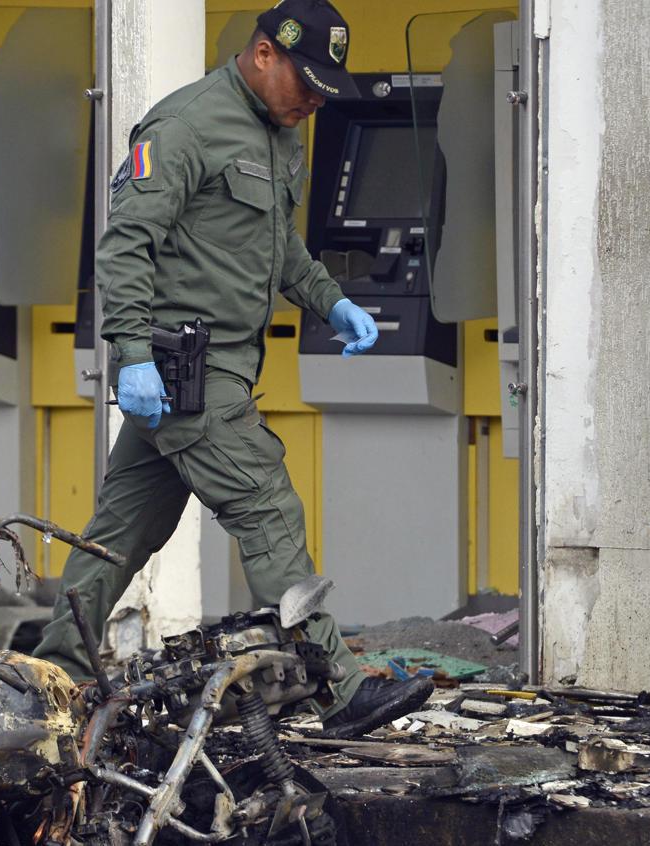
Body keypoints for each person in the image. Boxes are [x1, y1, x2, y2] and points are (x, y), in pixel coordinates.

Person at [31, 0, 433, 738]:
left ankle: (56, 674)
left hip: (220, 366)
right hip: (185, 368)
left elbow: (277, 248)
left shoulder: (278, 135)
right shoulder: (184, 126)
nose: (314, 102)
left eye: (323, 91)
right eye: (305, 84)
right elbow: (125, 246)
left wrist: (330, 301)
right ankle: (335, 689)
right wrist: (129, 355)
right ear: (261, 55)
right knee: (266, 505)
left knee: (121, 530)